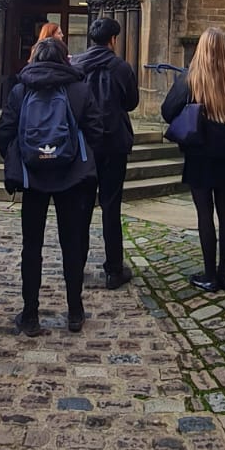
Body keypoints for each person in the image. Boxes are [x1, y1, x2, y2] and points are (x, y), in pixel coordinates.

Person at [0, 35, 98, 334]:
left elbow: (4, 132)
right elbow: (96, 130)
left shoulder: (20, 90)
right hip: (71, 178)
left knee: (32, 245)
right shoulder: (79, 89)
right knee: (72, 243)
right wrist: (80, 159)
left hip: (33, 178)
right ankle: (75, 312)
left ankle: (30, 313)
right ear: (65, 57)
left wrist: (22, 158)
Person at [161, 27, 225, 294]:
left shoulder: (190, 80)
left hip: (201, 154)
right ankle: (223, 274)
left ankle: (210, 274)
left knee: (204, 214)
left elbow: (167, 111)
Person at [71, 17, 139, 290]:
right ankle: (113, 269)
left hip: (85, 144)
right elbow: (132, 102)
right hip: (113, 143)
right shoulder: (121, 67)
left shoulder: (76, 64)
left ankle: (76, 266)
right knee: (111, 206)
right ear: (113, 40)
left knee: (81, 207)